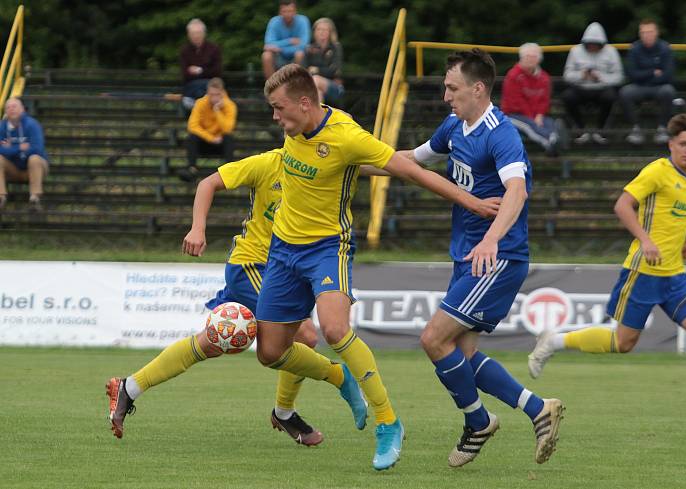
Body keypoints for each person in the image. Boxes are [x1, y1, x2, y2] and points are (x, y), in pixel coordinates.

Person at [256, 63, 501, 470]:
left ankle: (389, 422)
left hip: (326, 249)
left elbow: (407, 169)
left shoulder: (346, 134)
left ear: (304, 101)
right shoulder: (293, 130)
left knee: (334, 328)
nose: (275, 118)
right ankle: (342, 377)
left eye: (279, 108)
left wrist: (470, 201)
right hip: (282, 250)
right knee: (269, 353)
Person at [106, 149, 366, 445]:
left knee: (211, 342)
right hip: (253, 265)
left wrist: (426, 154)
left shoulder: (326, 165)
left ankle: (129, 387)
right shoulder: (268, 163)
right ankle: (328, 383)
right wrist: (197, 228)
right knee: (304, 336)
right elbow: (208, 183)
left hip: (288, 269)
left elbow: (383, 161)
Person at [527, 113, 686, 415]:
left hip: (674, 274)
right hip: (642, 272)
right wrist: (645, 240)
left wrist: (682, 246)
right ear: (671, 144)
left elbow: (670, 222)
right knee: (624, 342)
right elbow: (622, 205)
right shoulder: (658, 171)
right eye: (683, 143)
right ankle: (555, 341)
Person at [396, 49, 564, 468]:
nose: (445, 95)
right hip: (469, 256)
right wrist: (345, 161)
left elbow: (517, 192)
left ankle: (478, 421)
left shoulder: (501, 133)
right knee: (463, 355)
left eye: (452, 87)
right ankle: (538, 408)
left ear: (477, 88)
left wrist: (490, 241)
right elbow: (409, 163)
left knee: (433, 339)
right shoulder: (454, 127)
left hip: (497, 256)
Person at [562, 22, 623, 144]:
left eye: (596, 44)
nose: (592, 47)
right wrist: (581, 75)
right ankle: (579, 130)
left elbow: (619, 76)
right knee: (567, 96)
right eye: (590, 44)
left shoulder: (611, 51)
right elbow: (567, 75)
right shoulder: (575, 51)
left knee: (610, 96)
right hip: (581, 87)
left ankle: (601, 131)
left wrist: (601, 77)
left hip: (602, 88)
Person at [620, 19, 677, 145]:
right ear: (640, 34)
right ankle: (635, 129)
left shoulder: (665, 48)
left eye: (650, 32)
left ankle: (662, 129)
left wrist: (644, 75)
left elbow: (668, 75)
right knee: (625, 92)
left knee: (669, 91)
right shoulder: (634, 49)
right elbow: (632, 74)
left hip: (659, 87)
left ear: (657, 33)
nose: (647, 35)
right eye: (643, 32)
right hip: (639, 87)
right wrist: (652, 72)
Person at [501, 43, 561, 155]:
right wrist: (533, 117)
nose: (530, 59)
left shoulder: (544, 78)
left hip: (535, 115)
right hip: (513, 115)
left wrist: (539, 114)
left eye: (534, 56)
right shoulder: (513, 75)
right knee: (530, 126)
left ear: (539, 59)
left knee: (549, 122)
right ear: (521, 58)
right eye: (527, 56)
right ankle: (549, 144)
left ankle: (555, 139)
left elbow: (544, 101)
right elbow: (516, 102)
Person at [180, 78, 237, 182]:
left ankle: (229, 171)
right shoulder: (200, 103)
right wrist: (211, 138)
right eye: (212, 94)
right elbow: (192, 126)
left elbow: (228, 129)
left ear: (222, 93)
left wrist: (217, 110)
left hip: (220, 143)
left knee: (229, 138)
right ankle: (191, 169)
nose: (214, 98)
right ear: (207, 92)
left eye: (217, 94)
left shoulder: (230, 105)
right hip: (205, 141)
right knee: (191, 138)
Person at [0, 97, 48, 211]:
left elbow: (37, 148)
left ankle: (34, 198)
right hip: (13, 169)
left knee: (34, 158)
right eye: (8, 107)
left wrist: (10, 148)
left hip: (36, 169)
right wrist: (19, 148)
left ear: (22, 109)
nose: (12, 109)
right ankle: (1, 197)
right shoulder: (2, 127)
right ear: (5, 111)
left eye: (15, 106)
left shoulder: (32, 125)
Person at [179, 18, 223, 111]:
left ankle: (199, 107)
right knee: (198, 89)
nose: (196, 36)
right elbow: (184, 74)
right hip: (191, 87)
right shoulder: (184, 51)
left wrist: (199, 71)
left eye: (198, 33)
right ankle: (203, 107)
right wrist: (203, 72)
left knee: (207, 87)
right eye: (193, 33)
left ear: (204, 34)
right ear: (188, 35)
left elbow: (217, 72)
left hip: (210, 87)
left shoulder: (214, 49)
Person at [262, 0, 310, 79]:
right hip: (278, 56)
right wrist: (290, 41)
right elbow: (268, 44)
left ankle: (296, 86)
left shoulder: (303, 21)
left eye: (290, 11)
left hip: (296, 56)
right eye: (284, 11)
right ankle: (272, 88)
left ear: (295, 12)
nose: (287, 14)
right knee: (266, 56)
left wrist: (280, 48)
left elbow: (304, 44)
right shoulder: (274, 21)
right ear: (280, 12)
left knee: (299, 54)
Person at [304, 18, 344, 105]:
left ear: (330, 32)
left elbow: (334, 70)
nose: (321, 32)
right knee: (318, 92)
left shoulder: (336, 47)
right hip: (313, 86)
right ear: (314, 32)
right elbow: (305, 70)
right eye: (319, 29)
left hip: (334, 86)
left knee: (315, 79)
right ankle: (319, 118)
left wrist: (317, 70)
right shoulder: (309, 48)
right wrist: (324, 70)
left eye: (325, 30)